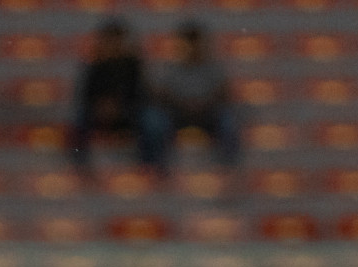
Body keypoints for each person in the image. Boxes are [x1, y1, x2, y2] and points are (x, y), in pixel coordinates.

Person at [145, 21, 240, 173]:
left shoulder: (214, 67)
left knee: (228, 120)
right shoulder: (170, 68)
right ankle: (156, 167)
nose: (192, 48)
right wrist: (181, 103)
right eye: (188, 42)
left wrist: (203, 103)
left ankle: (229, 168)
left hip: (207, 114)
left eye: (196, 43)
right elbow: (160, 93)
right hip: (177, 114)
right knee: (153, 120)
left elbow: (223, 93)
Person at [68, 19, 156, 174]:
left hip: (128, 113)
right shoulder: (94, 66)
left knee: (152, 123)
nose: (112, 45)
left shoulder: (133, 65)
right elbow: (84, 95)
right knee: (77, 123)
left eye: (116, 40)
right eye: (109, 40)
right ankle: (81, 169)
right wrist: (100, 107)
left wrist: (119, 107)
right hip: (98, 113)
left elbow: (141, 95)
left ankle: (150, 168)